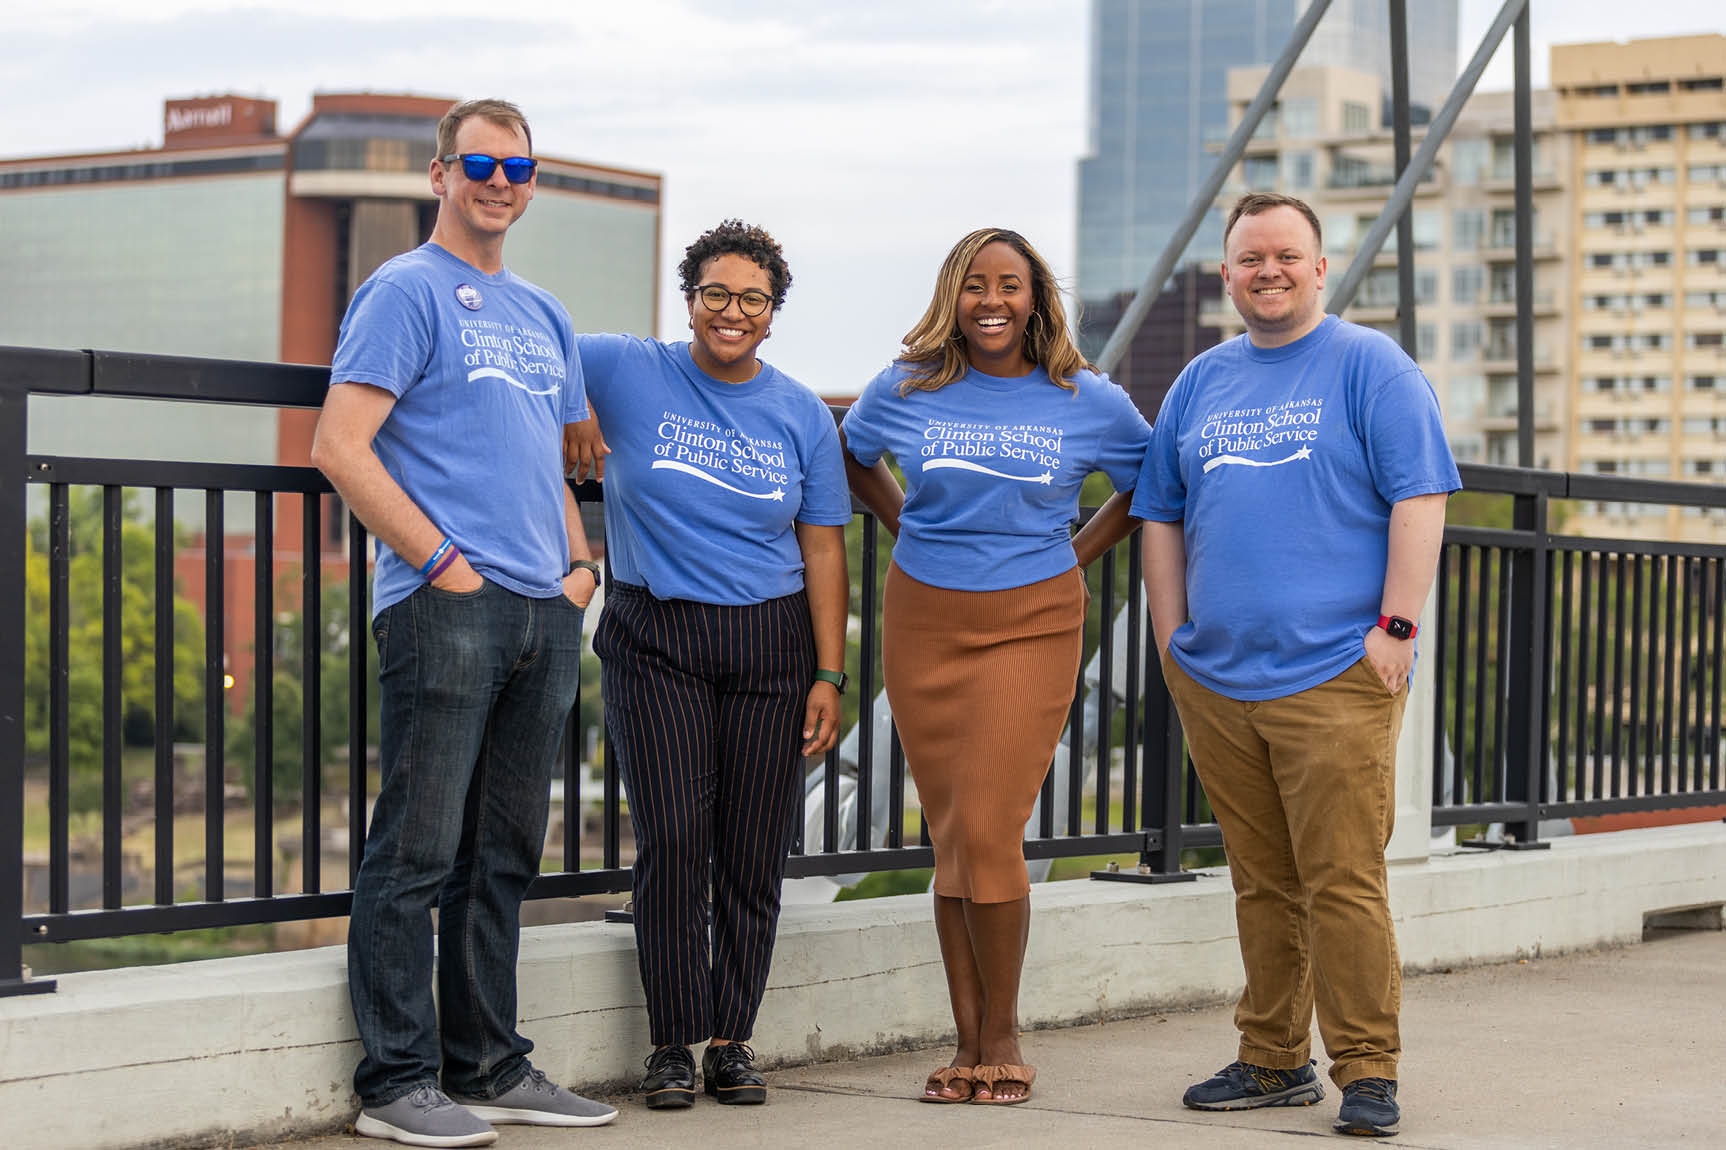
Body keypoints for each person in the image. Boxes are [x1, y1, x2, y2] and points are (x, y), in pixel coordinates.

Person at [311, 98, 617, 1147]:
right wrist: (442, 566)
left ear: (532, 185)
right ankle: (396, 1082)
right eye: (479, 162)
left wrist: (579, 572)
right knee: (418, 849)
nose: (499, 180)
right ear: (440, 175)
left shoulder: (544, 314)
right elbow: (340, 446)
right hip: (446, 607)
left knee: (503, 853)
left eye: (518, 167)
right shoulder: (402, 291)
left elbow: (558, 457)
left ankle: (489, 1063)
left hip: (543, 610)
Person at [1133, 192, 1460, 1138]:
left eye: (1285, 255)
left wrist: (1396, 628)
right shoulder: (1200, 381)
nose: (1266, 271)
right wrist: (1172, 642)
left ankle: (1367, 1069)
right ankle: (1274, 1059)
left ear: (1320, 268)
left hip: (1333, 674)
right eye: (1248, 259)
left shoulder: (1370, 367)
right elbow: (1160, 512)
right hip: (1220, 679)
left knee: (1343, 878)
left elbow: (1421, 496)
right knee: (1261, 879)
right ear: (1226, 274)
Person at [839, 228, 1150, 1107]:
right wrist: (907, 525)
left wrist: (1073, 556)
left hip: (1034, 623)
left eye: (1009, 285)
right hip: (924, 621)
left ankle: (1003, 1033)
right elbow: (853, 460)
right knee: (952, 835)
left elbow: (1148, 483)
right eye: (975, 284)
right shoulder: (905, 387)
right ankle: (966, 1039)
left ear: (1035, 298)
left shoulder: (1087, 399)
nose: (991, 301)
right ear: (954, 294)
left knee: (991, 826)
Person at [562, 220, 850, 1110]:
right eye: (715, 294)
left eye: (752, 299)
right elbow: (536, 345)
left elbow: (826, 549)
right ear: (688, 301)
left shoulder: (802, 411)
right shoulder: (627, 366)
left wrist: (829, 674)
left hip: (772, 641)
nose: (732, 312)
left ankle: (732, 1040)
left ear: (773, 314)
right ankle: (669, 1044)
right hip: (656, 636)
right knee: (676, 841)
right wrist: (574, 411)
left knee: (754, 848)